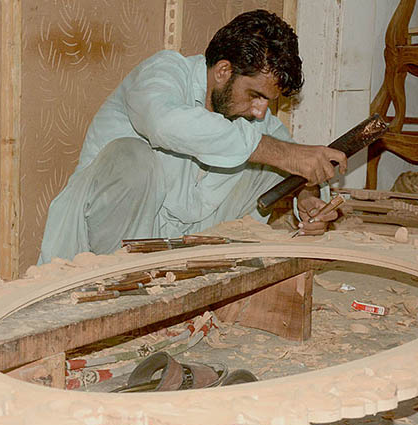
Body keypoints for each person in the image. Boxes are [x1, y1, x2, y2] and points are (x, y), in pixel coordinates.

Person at [38, 9, 347, 264]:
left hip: (181, 258)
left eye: (268, 101)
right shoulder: (165, 73)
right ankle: (116, 287)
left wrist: (306, 196)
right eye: (255, 96)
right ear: (223, 71)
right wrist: (281, 154)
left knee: (270, 160)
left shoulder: (251, 117)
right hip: (100, 256)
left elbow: (286, 154)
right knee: (132, 157)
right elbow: (163, 123)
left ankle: (204, 287)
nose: (260, 112)